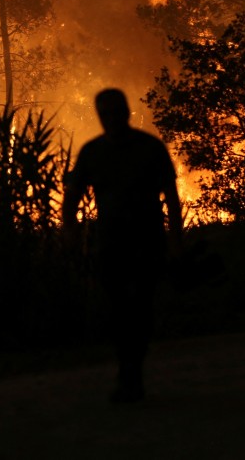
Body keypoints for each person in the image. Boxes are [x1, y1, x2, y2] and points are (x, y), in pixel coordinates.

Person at [63, 88, 183, 403]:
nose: (113, 119)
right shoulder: (92, 152)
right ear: (100, 117)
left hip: (147, 240)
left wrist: (175, 241)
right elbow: (72, 198)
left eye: (117, 112)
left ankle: (131, 373)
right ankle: (129, 372)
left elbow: (171, 196)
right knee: (118, 311)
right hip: (111, 244)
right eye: (106, 114)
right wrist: (71, 235)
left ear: (126, 111)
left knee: (141, 308)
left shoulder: (150, 148)